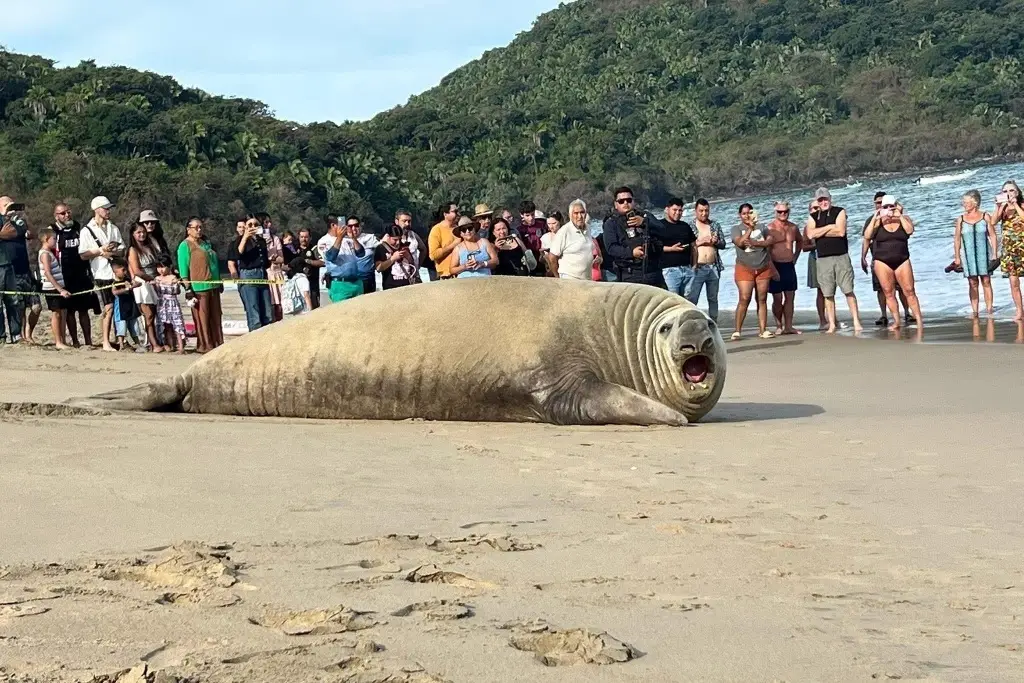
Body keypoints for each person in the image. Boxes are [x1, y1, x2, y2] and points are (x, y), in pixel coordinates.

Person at [805, 187, 863, 333]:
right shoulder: (813, 217)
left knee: (848, 290)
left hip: (841, 256)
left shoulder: (840, 211)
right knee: (827, 293)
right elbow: (811, 234)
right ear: (817, 202)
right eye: (820, 200)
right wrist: (830, 227)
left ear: (830, 198)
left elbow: (841, 231)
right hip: (823, 259)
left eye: (825, 199)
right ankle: (831, 324)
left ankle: (856, 321)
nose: (823, 202)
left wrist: (822, 231)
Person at [862, 194, 923, 330]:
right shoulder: (877, 222)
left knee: (909, 291)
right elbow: (867, 236)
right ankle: (896, 321)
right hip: (882, 261)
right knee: (888, 292)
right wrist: (876, 216)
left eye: (891, 206)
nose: (889, 209)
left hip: (902, 259)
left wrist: (899, 215)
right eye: (885, 207)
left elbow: (910, 230)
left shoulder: (904, 219)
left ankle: (919, 320)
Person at [78, 195, 126, 351]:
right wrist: (100, 251)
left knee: (118, 307)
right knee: (108, 307)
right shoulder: (87, 230)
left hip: (115, 271)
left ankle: (118, 340)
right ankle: (105, 341)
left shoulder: (113, 227)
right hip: (100, 272)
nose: (108, 211)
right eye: (106, 208)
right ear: (97, 210)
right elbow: (83, 254)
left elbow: (122, 249)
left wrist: (113, 252)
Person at [50, 204, 98, 347]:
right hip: (65, 275)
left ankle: (88, 340)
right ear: (56, 216)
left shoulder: (78, 228)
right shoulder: (53, 231)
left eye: (68, 212)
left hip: (81, 274)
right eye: (62, 213)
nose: (66, 215)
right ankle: (75, 341)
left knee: (84, 310)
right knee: (69, 311)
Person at [731, 204, 779, 340]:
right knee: (744, 298)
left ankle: (763, 330)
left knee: (762, 298)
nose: (747, 216)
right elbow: (740, 243)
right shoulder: (736, 229)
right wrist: (750, 229)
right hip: (744, 268)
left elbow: (770, 240)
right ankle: (737, 330)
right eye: (744, 213)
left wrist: (756, 243)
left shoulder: (763, 227)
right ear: (740, 215)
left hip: (763, 267)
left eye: (749, 213)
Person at [602, 186, 665, 288]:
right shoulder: (611, 223)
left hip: (654, 272)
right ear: (616, 204)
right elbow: (611, 248)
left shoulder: (645, 216)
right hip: (630, 274)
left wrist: (645, 222)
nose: (626, 203)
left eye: (629, 200)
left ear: (633, 201)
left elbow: (663, 231)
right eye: (621, 201)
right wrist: (631, 252)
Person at [177, 217, 223, 353]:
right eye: (196, 227)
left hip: (213, 285)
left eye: (201, 227)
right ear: (188, 230)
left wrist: (219, 280)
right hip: (198, 287)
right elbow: (183, 269)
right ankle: (205, 345)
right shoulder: (185, 246)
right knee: (202, 317)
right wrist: (188, 288)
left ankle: (217, 343)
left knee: (216, 316)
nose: (199, 230)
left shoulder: (206, 244)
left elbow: (214, 263)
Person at [953, 189, 998, 318]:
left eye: (966, 202)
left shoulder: (985, 216)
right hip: (968, 256)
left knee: (986, 280)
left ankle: (989, 310)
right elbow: (956, 239)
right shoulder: (960, 219)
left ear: (975, 202)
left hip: (984, 253)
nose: (964, 204)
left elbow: (993, 236)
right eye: (963, 202)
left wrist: (995, 254)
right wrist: (957, 257)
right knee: (972, 282)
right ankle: (975, 311)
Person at [228, 215, 273, 331]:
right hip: (248, 275)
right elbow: (238, 254)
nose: (253, 227)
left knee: (267, 311)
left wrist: (270, 260)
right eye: (250, 225)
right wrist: (245, 237)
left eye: (255, 225)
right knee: (254, 311)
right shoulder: (239, 240)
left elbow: (264, 260)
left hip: (262, 275)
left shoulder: (261, 241)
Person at [686, 198, 726, 320]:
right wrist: (699, 242)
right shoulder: (690, 226)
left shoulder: (715, 225)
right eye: (701, 211)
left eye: (706, 210)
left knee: (713, 298)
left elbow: (723, 244)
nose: (704, 213)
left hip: (713, 266)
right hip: (697, 267)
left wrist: (716, 241)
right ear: (695, 211)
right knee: (692, 298)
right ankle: (692, 322)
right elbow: (685, 246)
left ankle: (713, 323)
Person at [767, 201, 802, 335]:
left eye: (785, 211)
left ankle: (789, 326)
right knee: (777, 298)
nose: (783, 214)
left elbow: (800, 241)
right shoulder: (770, 228)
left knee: (790, 297)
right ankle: (778, 325)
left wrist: (795, 256)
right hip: (775, 264)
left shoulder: (793, 227)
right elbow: (767, 250)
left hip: (789, 265)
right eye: (780, 212)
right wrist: (772, 269)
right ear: (775, 212)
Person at [128, 222, 164, 351]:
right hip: (143, 283)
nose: (142, 234)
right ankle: (154, 344)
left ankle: (158, 340)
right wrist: (150, 279)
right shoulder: (133, 250)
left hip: (154, 280)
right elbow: (136, 270)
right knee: (148, 315)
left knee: (155, 313)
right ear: (133, 234)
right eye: (138, 232)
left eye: (143, 232)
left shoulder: (150, 247)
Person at [0, 197, 30, 343]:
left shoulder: (17, 220)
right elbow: (7, 233)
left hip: (10, 265)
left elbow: (14, 232)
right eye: (6, 205)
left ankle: (16, 334)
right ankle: (1, 336)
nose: (10, 208)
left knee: (13, 301)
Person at [37, 228, 72, 350]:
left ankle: (62, 340)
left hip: (58, 287)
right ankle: (58, 341)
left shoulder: (50, 253)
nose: (55, 241)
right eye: (53, 239)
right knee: (56, 314)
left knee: (62, 313)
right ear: (46, 239)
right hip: (51, 289)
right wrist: (59, 289)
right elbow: (47, 273)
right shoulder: (45, 254)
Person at [994, 180, 1024, 321]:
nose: (1008, 193)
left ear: (1017, 192)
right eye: (1005, 191)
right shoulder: (1003, 208)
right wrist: (999, 207)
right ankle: (1019, 311)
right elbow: (993, 221)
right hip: (1009, 250)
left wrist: (1016, 204)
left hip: (1022, 248)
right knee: (1013, 282)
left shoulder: (1022, 206)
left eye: (1011, 190)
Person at [549, 199, 599, 280]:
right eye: (576, 213)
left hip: (587, 278)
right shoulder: (564, 231)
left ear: (586, 214)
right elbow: (552, 257)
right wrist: (557, 278)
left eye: (582, 212)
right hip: (569, 278)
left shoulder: (588, 228)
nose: (579, 216)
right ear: (570, 215)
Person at [657, 197, 697, 297]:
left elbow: (694, 246)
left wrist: (694, 265)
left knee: (688, 302)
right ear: (667, 209)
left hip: (687, 269)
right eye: (674, 210)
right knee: (673, 301)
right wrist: (671, 249)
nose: (677, 213)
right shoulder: (659, 226)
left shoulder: (685, 226)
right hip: (669, 271)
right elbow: (654, 247)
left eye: (680, 210)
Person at [323, 219, 367, 302]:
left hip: (356, 282)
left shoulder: (348, 239)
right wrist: (339, 238)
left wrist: (353, 238)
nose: (344, 227)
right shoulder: (324, 240)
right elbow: (331, 257)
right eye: (340, 224)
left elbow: (361, 253)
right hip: (340, 284)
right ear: (333, 225)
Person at [802, 199, 828, 330]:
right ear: (810, 210)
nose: (817, 210)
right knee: (821, 291)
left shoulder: (827, 222)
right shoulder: (808, 227)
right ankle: (822, 320)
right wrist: (816, 245)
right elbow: (803, 247)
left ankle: (833, 318)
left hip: (829, 257)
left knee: (831, 289)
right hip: (815, 258)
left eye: (818, 208)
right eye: (814, 208)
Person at [110, 258, 145, 352]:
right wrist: (126, 289)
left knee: (134, 326)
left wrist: (132, 285)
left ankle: (137, 343)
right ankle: (121, 345)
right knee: (121, 326)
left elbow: (138, 283)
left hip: (131, 306)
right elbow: (115, 292)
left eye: (126, 269)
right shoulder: (114, 283)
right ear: (115, 271)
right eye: (123, 270)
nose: (125, 272)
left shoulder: (127, 279)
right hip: (121, 308)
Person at [154, 255, 186, 354]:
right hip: (161, 303)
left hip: (172, 302)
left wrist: (176, 284)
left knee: (177, 324)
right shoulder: (157, 278)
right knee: (166, 325)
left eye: (163, 267)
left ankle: (181, 347)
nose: (161, 270)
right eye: (159, 267)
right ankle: (170, 345)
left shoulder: (173, 277)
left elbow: (178, 291)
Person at [374, 225, 422, 289]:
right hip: (391, 287)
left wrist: (408, 257)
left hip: (408, 284)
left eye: (400, 239)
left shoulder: (404, 245)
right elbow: (378, 268)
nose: (398, 242)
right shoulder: (380, 248)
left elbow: (412, 265)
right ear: (388, 237)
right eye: (395, 239)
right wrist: (393, 258)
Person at [258, 212, 285, 321]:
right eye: (266, 222)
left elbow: (282, 259)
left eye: (270, 222)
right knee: (266, 306)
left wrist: (274, 259)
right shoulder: (256, 241)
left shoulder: (275, 239)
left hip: (276, 274)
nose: (269, 225)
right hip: (264, 274)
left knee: (278, 305)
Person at [344, 216, 381, 294]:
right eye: (350, 226)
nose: (353, 228)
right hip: (349, 281)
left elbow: (383, 248)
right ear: (346, 227)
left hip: (367, 279)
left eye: (356, 225)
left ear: (360, 226)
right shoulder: (343, 240)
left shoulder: (370, 238)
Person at [428, 203, 461, 280]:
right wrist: (454, 245)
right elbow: (433, 255)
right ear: (445, 214)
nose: (458, 214)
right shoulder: (436, 230)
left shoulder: (459, 229)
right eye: (455, 211)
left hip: (461, 274)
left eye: (458, 211)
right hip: (446, 276)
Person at [514, 200, 546, 274]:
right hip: (529, 260)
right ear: (521, 215)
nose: (531, 218)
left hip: (543, 258)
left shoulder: (542, 225)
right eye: (527, 215)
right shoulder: (519, 229)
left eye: (533, 214)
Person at [296, 228, 324, 309]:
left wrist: (308, 261)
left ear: (310, 238)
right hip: (298, 286)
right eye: (301, 237)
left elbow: (322, 262)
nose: (303, 239)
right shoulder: (294, 250)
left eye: (306, 237)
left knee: (314, 308)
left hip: (312, 285)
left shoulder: (314, 249)